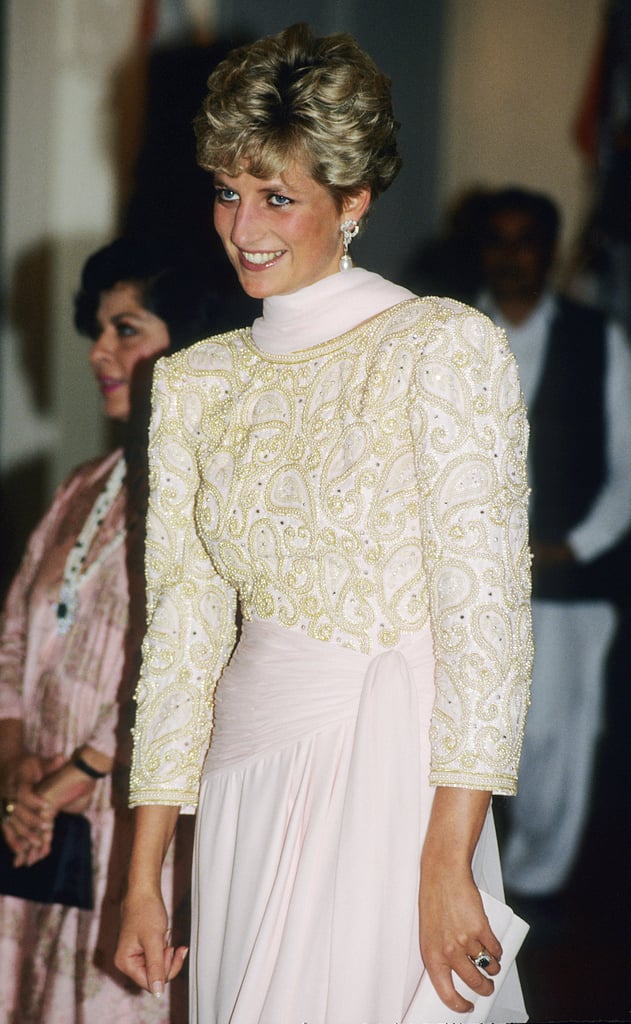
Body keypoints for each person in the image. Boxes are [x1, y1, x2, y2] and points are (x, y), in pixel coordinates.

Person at [115, 25, 533, 1024]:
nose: (243, 226)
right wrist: (144, 871)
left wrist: (445, 861)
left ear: (353, 201)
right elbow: (180, 634)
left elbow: (487, 624)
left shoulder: (443, 346)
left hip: (391, 788)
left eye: (277, 196)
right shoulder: (191, 385)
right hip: (245, 779)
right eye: (228, 190)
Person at [0, 237, 234, 1022]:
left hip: (135, 812)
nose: (98, 350)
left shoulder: (214, 495)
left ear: (188, 346)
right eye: (98, 329)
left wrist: (81, 773)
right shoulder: (81, 486)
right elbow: (11, 641)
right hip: (37, 816)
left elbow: (200, 658)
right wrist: (14, 770)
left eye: (126, 329)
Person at [475, 186, 631, 897]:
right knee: (472, 737)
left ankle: (536, 895)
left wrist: (575, 545)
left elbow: (626, 464)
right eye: (498, 240)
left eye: (526, 239)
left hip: (568, 584)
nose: (512, 256)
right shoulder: (443, 333)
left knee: (553, 743)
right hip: (466, 582)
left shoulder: (594, 338)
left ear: (549, 248)